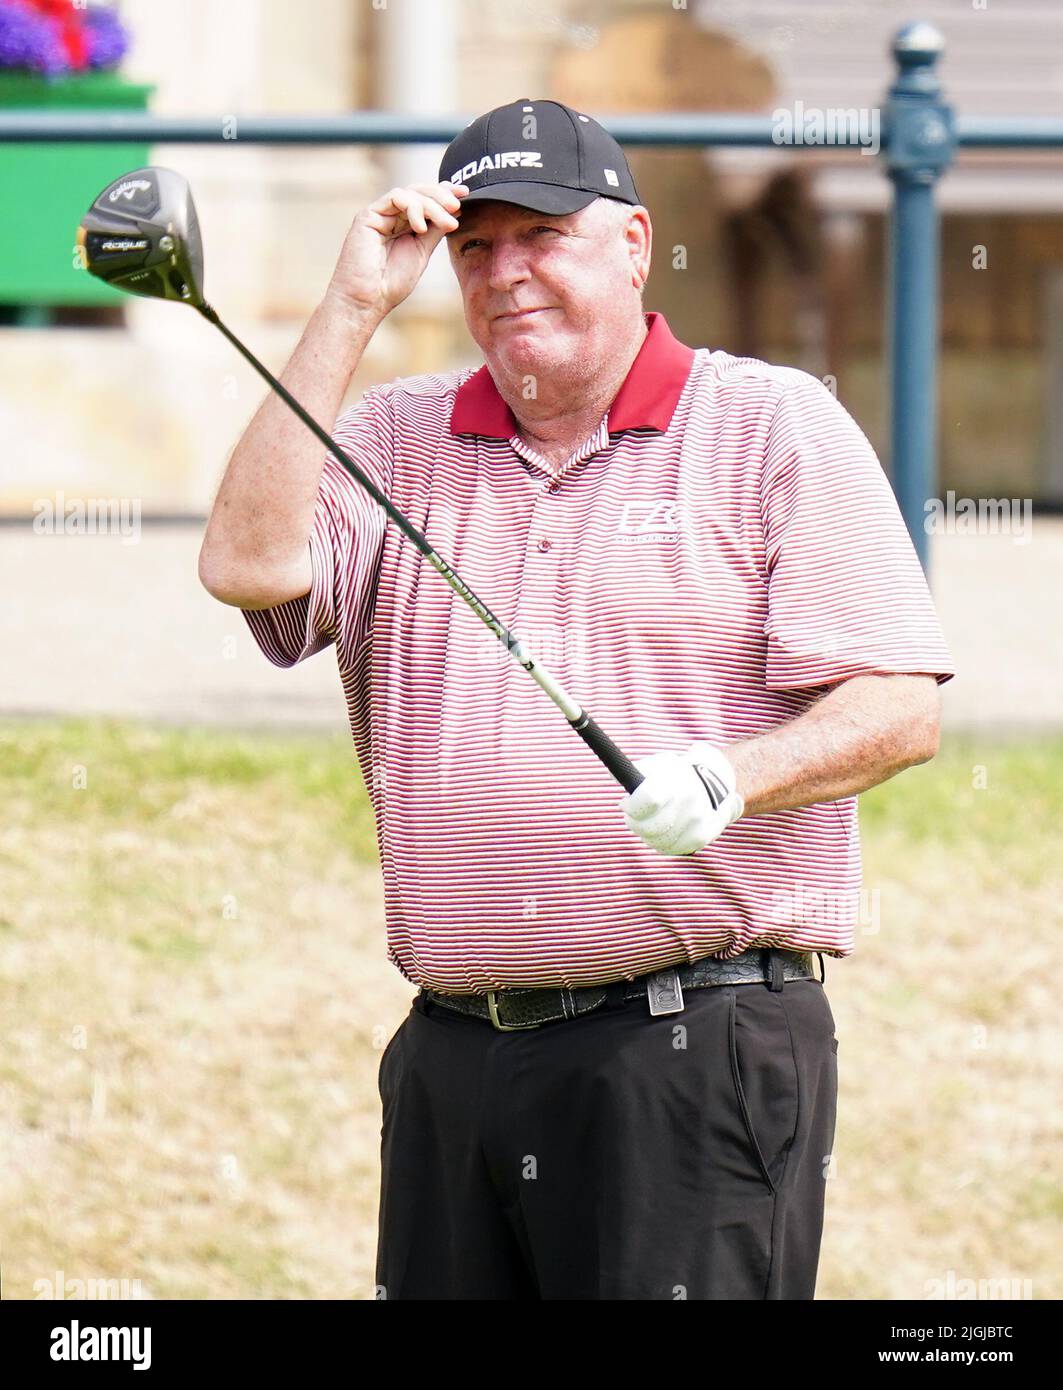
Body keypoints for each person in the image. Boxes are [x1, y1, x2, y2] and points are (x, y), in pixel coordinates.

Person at [198, 98, 954, 1300]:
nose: (506, 274)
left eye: (541, 235)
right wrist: (349, 306)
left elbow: (897, 708)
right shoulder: (397, 434)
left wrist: (729, 778)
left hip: (687, 1046)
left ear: (635, 242)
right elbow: (245, 565)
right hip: (455, 1049)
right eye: (476, 247)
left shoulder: (769, 424)